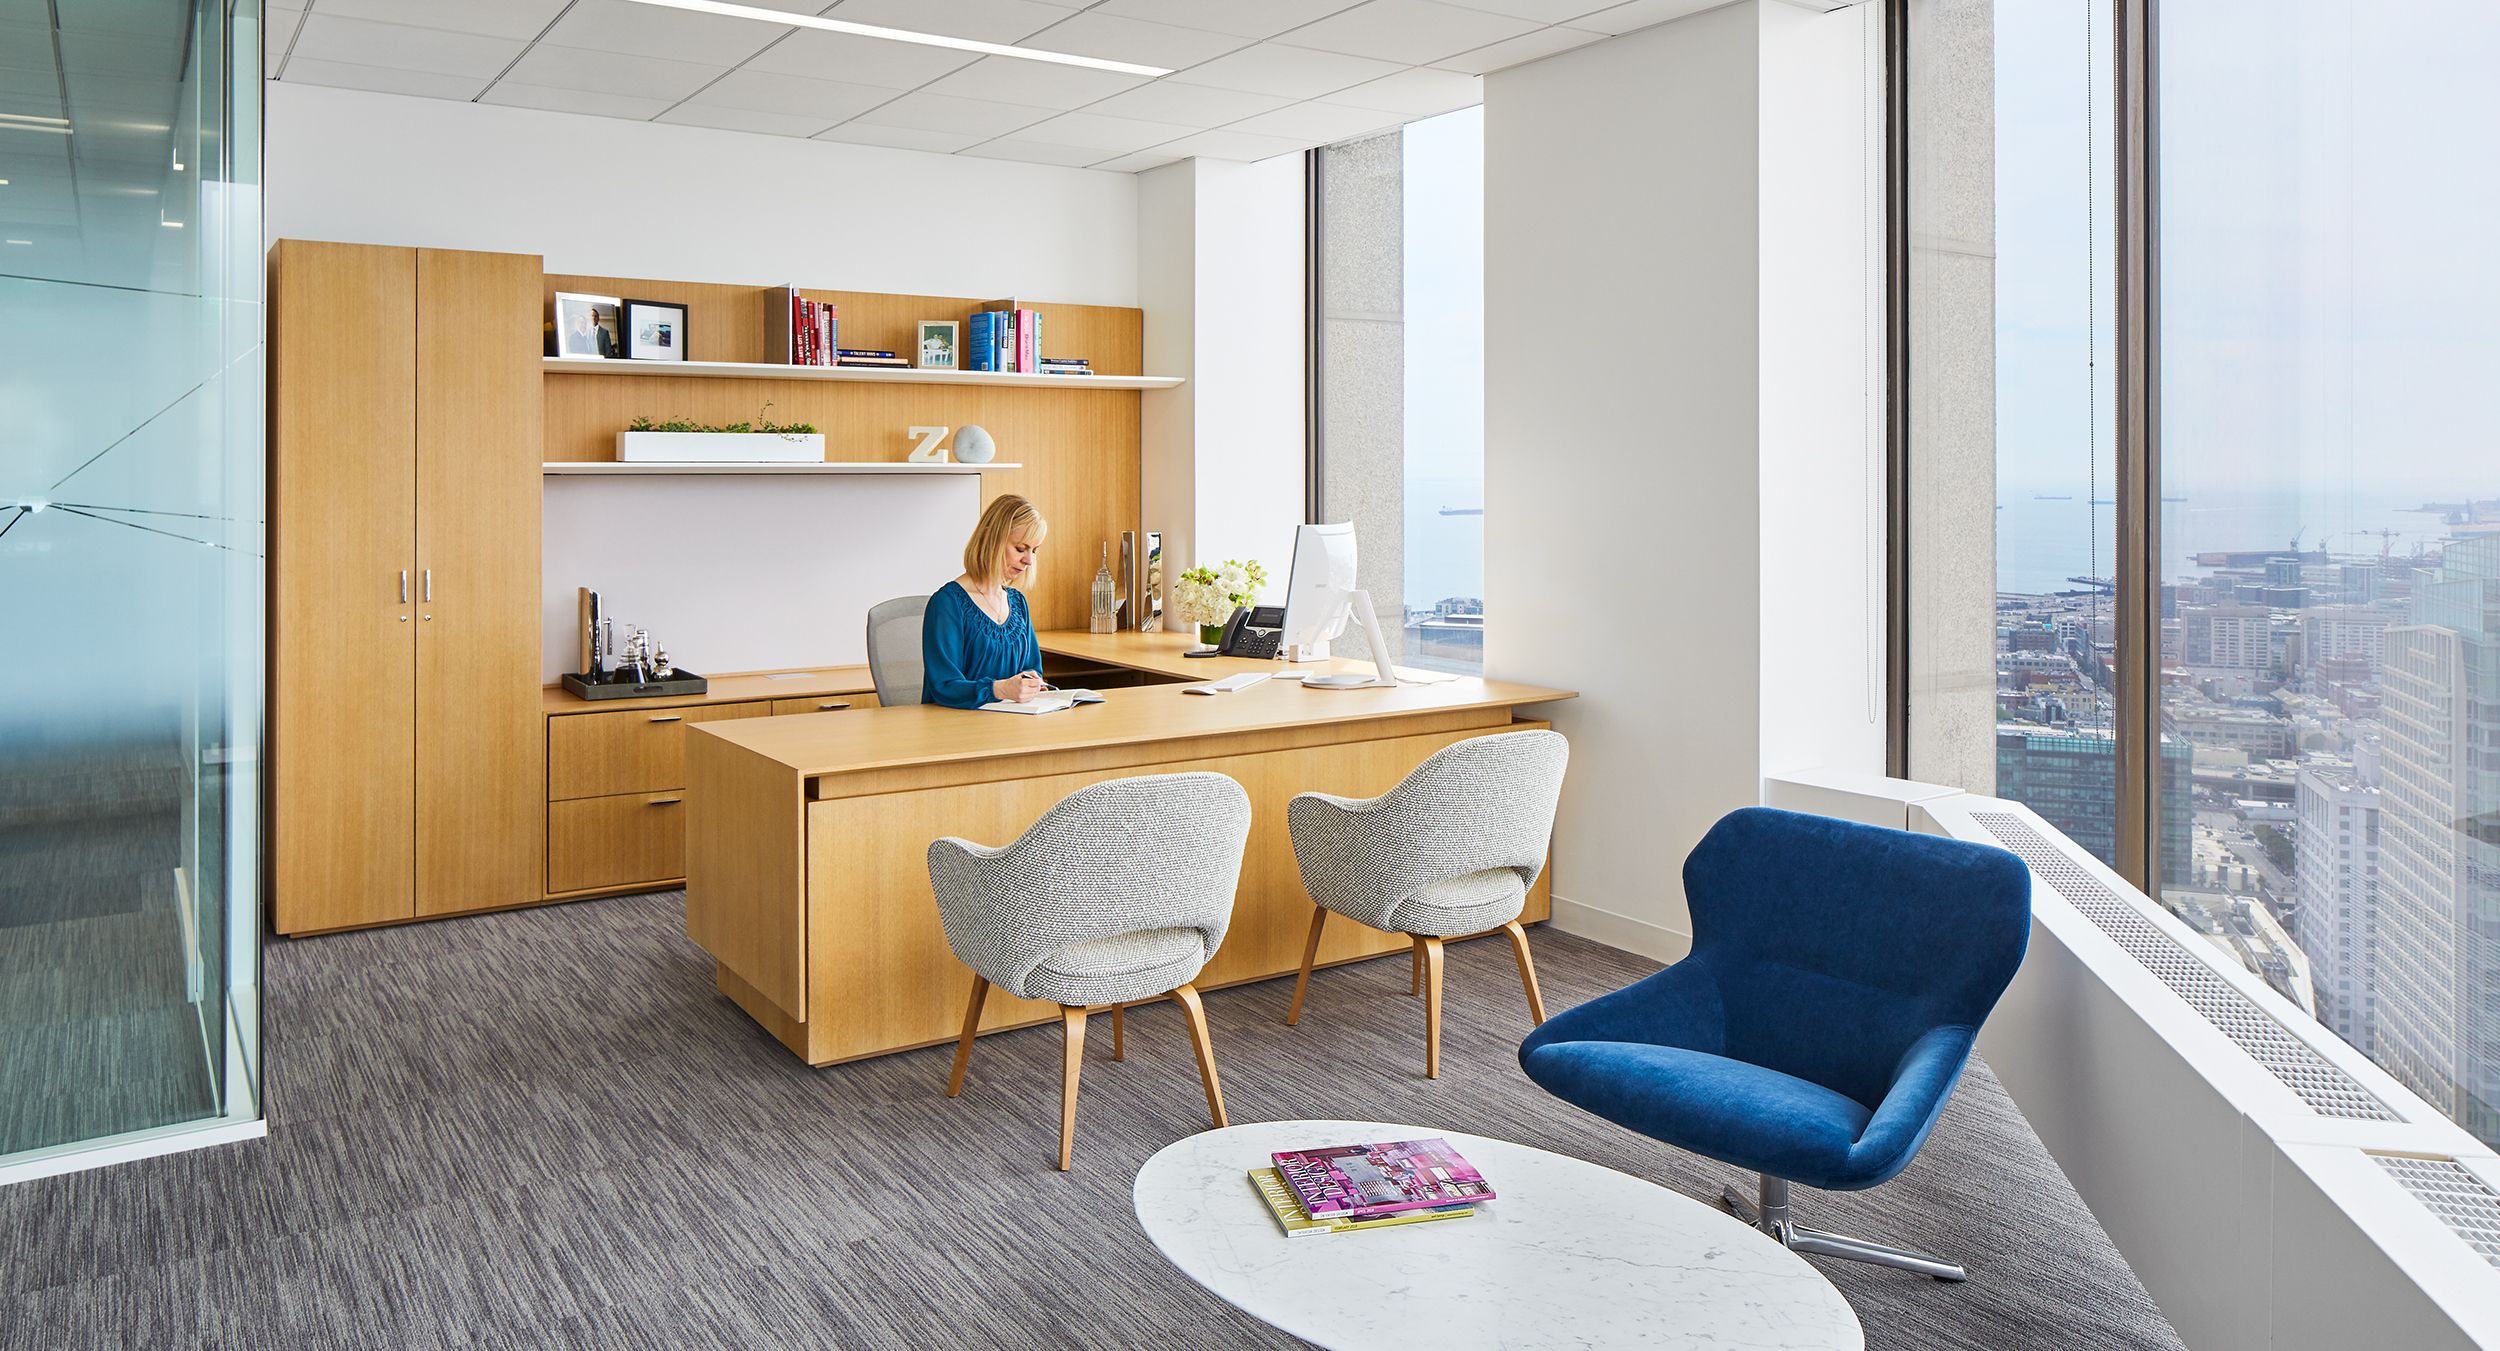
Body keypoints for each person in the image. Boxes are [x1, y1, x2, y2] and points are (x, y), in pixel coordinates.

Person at [923, 494, 1047, 708]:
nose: (1028, 560)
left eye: (1033, 551)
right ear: (992, 539)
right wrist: (999, 689)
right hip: (956, 729)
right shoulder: (947, 603)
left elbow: (1032, 668)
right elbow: (944, 686)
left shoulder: (1017, 603)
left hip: (1010, 724)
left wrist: (1032, 683)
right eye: (1020, 548)